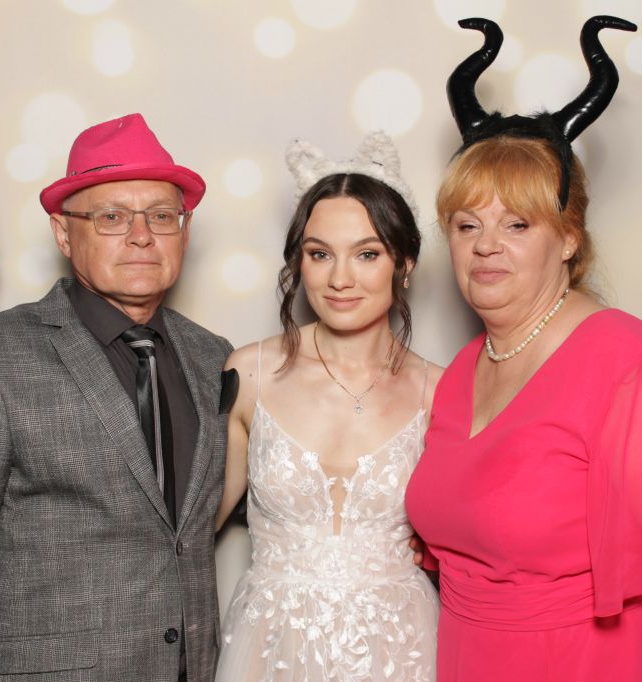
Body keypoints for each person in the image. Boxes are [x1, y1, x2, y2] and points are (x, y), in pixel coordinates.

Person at [404, 17, 642, 681]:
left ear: (568, 238)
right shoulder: (464, 372)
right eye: (466, 225)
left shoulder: (635, 372)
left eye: (517, 224)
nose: (486, 245)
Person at [0, 114, 233, 682]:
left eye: (162, 216)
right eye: (111, 217)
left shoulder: (212, 357)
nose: (142, 235)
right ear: (63, 233)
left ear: (185, 230)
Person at [216, 133, 441, 681]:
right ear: (300, 262)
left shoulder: (440, 391)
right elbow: (189, 530)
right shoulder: (250, 374)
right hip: (273, 646)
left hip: (402, 648)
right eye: (320, 254)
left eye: (367, 254)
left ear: (404, 263)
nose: (340, 279)